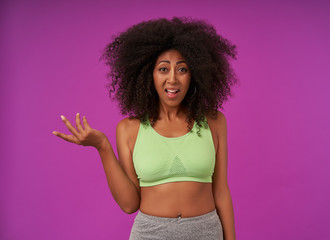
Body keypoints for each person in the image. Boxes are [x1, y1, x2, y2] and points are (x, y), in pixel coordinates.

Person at [52, 17, 238, 240]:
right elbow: (130, 204)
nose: (172, 79)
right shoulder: (129, 129)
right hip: (150, 233)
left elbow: (221, 191)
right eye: (163, 69)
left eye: (182, 69)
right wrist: (102, 146)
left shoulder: (214, 122)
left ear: (195, 75)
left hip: (206, 231)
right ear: (148, 75)